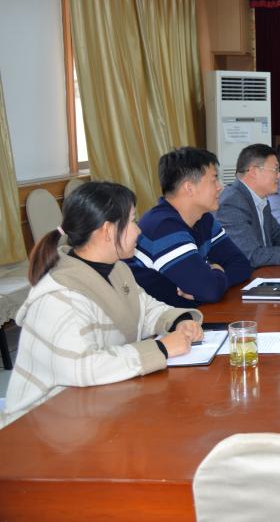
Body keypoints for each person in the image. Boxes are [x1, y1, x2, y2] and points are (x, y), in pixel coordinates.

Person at [2, 182, 203, 427]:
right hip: (44, 421)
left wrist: (179, 321)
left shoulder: (117, 269)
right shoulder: (59, 296)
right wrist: (160, 349)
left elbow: (145, 309)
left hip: (97, 406)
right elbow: (82, 366)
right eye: (132, 221)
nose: (138, 230)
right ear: (108, 230)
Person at [128, 147, 251, 308]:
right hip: (158, 320)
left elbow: (241, 265)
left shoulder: (204, 219)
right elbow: (210, 290)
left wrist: (214, 277)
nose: (220, 187)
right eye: (214, 179)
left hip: (189, 312)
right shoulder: (163, 226)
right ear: (189, 188)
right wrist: (216, 273)